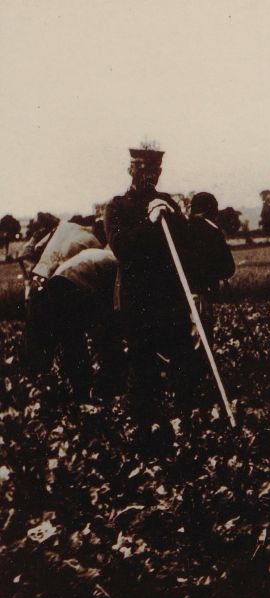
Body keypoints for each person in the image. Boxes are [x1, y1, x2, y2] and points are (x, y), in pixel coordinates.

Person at [104, 145, 192, 441]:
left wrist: (173, 217)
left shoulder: (168, 203)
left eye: (154, 171)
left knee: (181, 354)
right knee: (141, 361)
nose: (149, 176)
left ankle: (185, 417)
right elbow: (122, 248)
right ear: (131, 170)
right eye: (142, 170)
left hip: (169, 295)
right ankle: (144, 425)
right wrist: (149, 222)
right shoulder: (116, 206)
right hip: (137, 297)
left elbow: (186, 244)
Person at [22, 247, 124, 402]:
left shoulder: (111, 265)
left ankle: (90, 387)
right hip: (72, 280)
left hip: (76, 278)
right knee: (74, 339)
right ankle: (87, 387)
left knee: (80, 339)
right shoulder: (110, 260)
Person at [183, 192, 236, 344]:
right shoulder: (213, 231)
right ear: (212, 210)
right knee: (203, 343)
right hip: (202, 296)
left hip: (179, 297)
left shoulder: (181, 228)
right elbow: (228, 269)